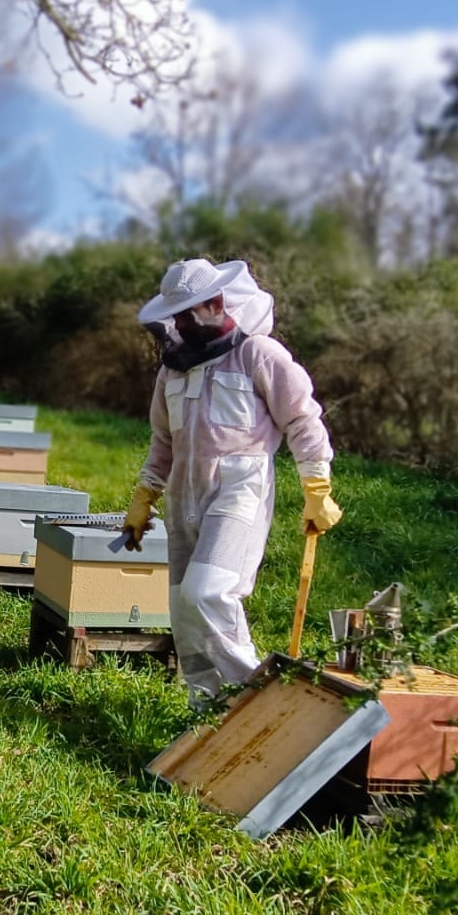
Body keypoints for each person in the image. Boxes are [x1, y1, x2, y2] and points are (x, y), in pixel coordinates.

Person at [116, 258, 340, 710]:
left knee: (209, 594)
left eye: (187, 314)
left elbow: (302, 419)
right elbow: (164, 441)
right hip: (184, 499)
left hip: (239, 492)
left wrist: (317, 487)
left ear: (216, 303)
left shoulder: (258, 354)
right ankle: (209, 711)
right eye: (174, 315)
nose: (178, 324)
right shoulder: (171, 372)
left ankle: (255, 702)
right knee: (183, 611)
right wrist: (144, 497)